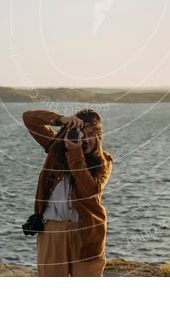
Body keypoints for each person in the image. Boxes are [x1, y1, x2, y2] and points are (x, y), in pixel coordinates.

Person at [22, 108, 113, 276]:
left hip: (86, 232)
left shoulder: (104, 162)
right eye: (80, 133)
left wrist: (75, 153)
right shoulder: (57, 148)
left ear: (99, 136)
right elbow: (29, 118)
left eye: (91, 133)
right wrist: (60, 119)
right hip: (53, 230)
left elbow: (90, 191)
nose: (85, 139)